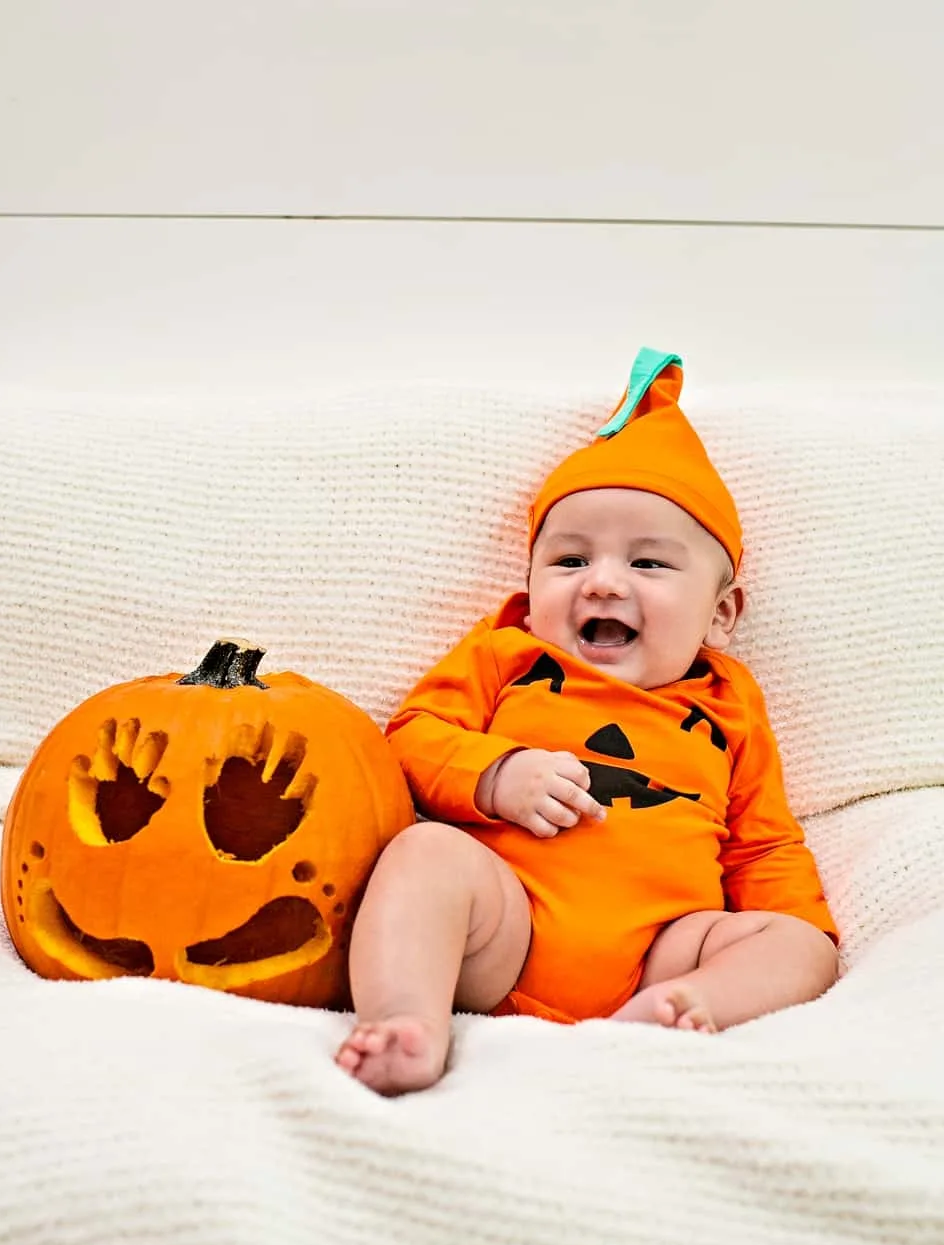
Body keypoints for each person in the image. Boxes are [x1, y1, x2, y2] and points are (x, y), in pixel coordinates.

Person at [335, 348, 839, 1095]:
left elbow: (764, 845)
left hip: (664, 947)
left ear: (722, 614)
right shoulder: (507, 654)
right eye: (570, 561)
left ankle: (682, 1007)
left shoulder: (729, 706)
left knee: (799, 945)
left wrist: (789, 942)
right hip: (507, 927)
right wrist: (499, 775)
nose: (603, 581)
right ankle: (406, 1022)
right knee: (426, 854)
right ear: (532, 585)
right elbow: (408, 741)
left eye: (650, 565)